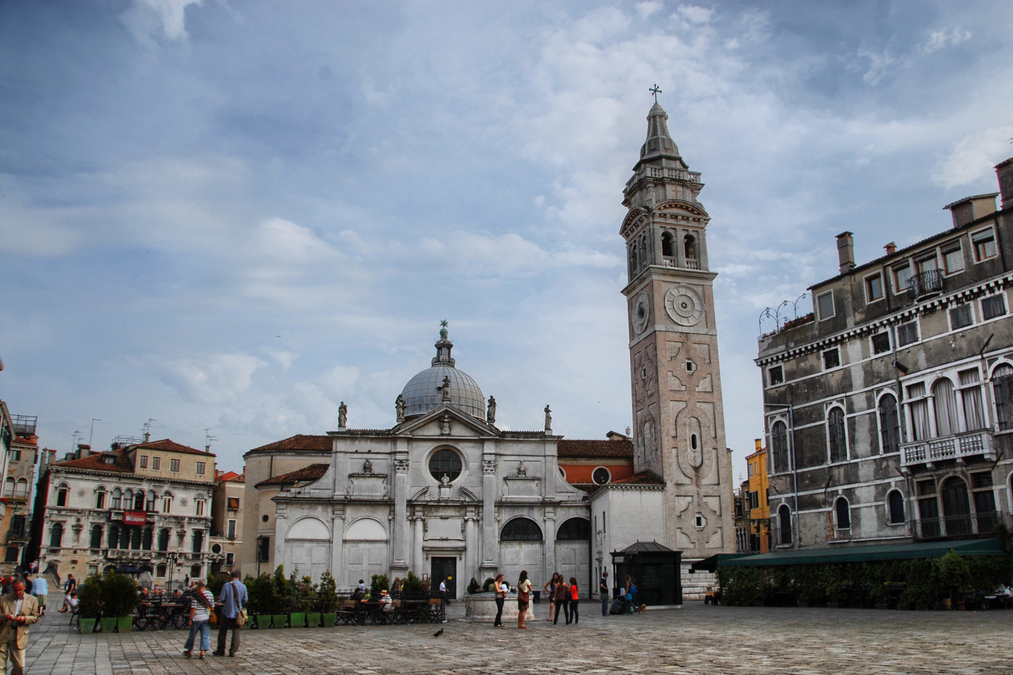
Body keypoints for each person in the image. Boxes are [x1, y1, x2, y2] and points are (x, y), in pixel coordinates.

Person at [0, 580, 39, 675]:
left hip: (19, 634)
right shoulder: (3, 599)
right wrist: (5, 616)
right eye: (15, 590)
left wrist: (24, 618)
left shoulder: (32, 600)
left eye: (20, 590)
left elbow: (35, 617)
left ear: (24, 587)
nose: (17, 592)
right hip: (3, 633)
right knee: (0, 665)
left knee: (20, 665)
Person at [214, 570, 247, 658]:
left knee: (222, 631)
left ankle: (220, 650)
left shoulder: (227, 585)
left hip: (227, 612)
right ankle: (233, 650)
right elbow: (245, 600)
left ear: (231, 577)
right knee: (236, 632)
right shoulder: (243, 586)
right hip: (237, 613)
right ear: (239, 577)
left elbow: (221, 598)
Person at [183, 579, 214, 660]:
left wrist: (190, 618)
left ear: (199, 585)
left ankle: (189, 650)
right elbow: (212, 607)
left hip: (197, 617)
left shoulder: (196, 594)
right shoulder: (210, 594)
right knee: (205, 635)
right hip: (206, 617)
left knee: (192, 635)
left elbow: (193, 607)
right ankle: (202, 652)